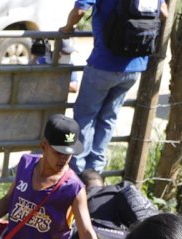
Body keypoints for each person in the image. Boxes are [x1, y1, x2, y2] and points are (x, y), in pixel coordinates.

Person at [62, 0, 164, 173]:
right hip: (135, 66)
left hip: (103, 64)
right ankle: (95, 169)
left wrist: (67, 29)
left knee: (86, 116)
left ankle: (77, 170)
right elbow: (164, 13)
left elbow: (79, 11)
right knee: (109, 117)